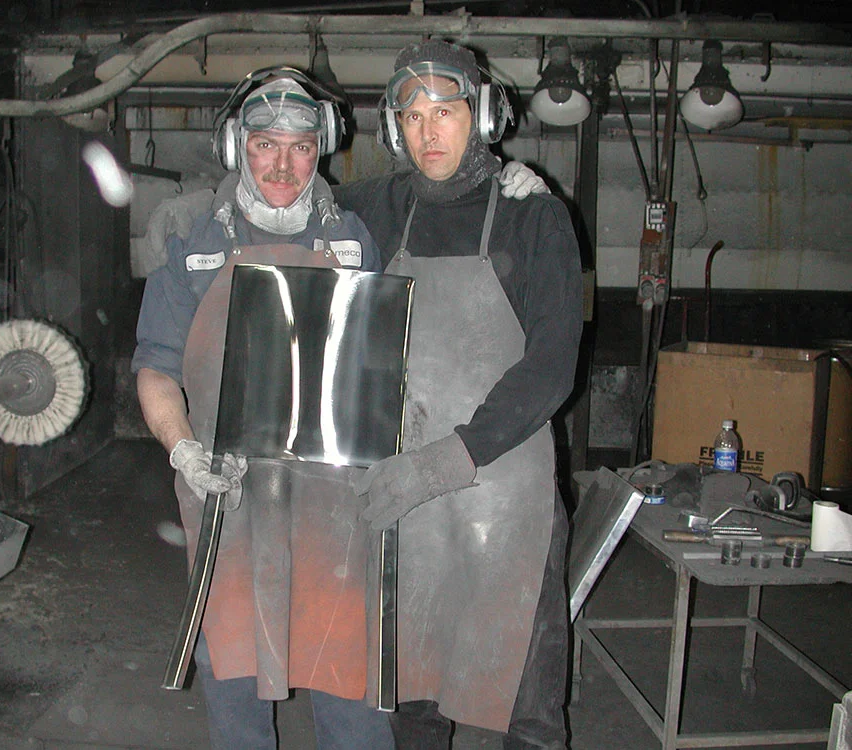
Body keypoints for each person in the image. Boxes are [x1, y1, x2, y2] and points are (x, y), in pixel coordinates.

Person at [131, 68, 395, 750]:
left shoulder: (353, 237)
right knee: (237, 678)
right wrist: (183, 450)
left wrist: (510, 186)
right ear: (235, 147)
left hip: (335, 507)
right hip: (231, 500)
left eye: (301, 147)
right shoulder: (192, 241)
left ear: (321, 149)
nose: (282, 164)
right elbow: (156, 366)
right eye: (265, 144)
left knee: (349, 685)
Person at [333, 40, 583, 749]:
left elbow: (552, 366)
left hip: (506, 495)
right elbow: (283, 198)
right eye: (412, 116)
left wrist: (452, 458)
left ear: (484, 117)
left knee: (528, 710)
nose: (429, 132)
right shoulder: (375, 209)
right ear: (394, 129)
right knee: (415, 697)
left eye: (445, 111)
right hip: (409, 493)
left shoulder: (533, 218)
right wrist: (222, 203)